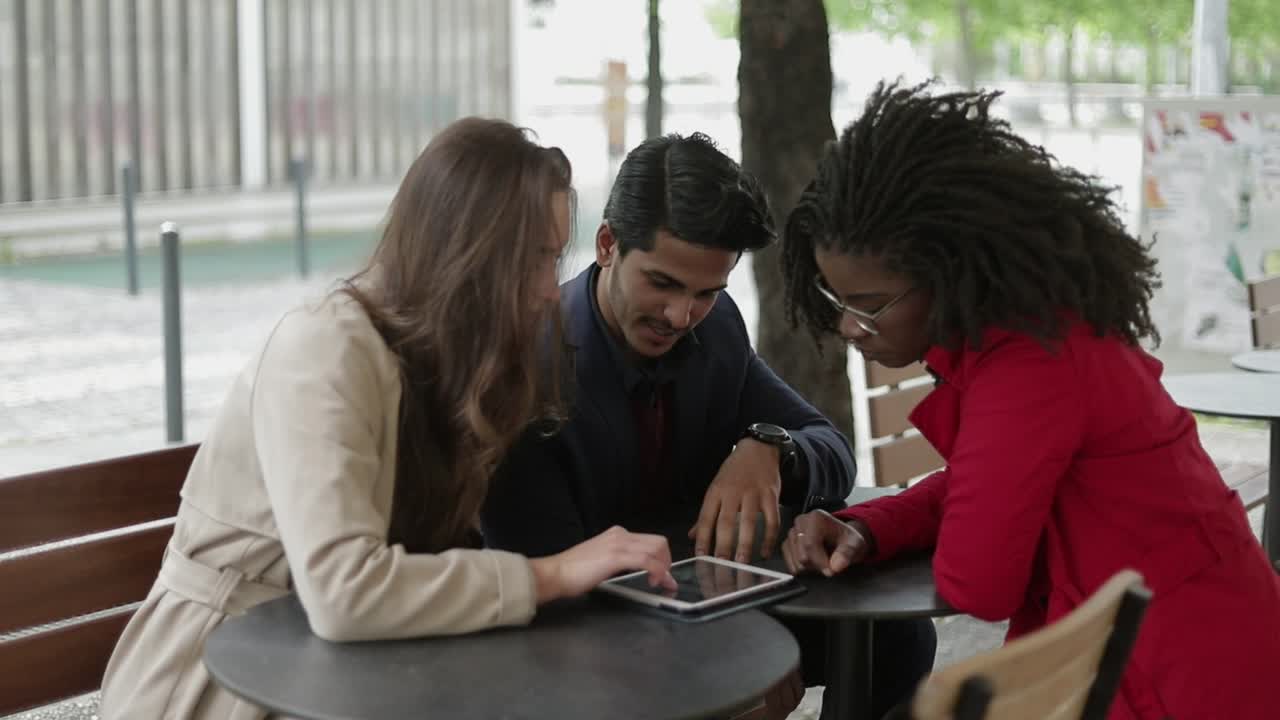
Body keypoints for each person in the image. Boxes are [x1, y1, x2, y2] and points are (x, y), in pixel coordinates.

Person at [99, 118, 676, 720]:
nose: (547, 290)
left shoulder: (451, 361)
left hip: (341, 676)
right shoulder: (325, 346)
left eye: (553, 259)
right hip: (218, 686)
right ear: (465, 252)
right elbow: (345, 593)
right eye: (533, 260)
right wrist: (551, 575)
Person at [779, 81, 1280, 720]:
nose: (849, 326)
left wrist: (927, 518)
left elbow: (978, 581)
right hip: (1160, 646)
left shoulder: (1027, 366)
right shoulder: (1040, 328)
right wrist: (868, 526)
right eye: (836, 301)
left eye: (870, 305)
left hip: (1181, 678)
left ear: (950, 270)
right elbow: (987, 487)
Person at [481, 131, 937, 720]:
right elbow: (551, 597)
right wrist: (733, 659)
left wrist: (768, 449)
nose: (681, 316)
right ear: (606, 244)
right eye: (663, 284)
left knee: (895, 640)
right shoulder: (526, 370)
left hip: (706, 604)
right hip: (580, 639)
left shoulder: (715, 327)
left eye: (706, 291)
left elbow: (832, 450)